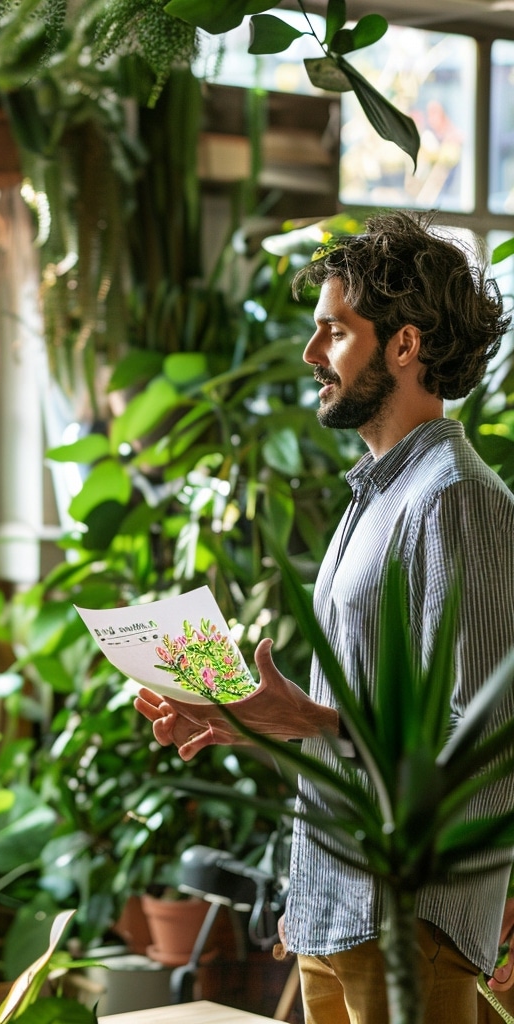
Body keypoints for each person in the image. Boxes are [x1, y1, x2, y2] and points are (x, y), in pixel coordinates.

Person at [134, 211, 514, 1024]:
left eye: (334, 332)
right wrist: (258, 724)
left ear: (405, 346)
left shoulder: (457, 498)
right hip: (335, 907)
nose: (311, 355)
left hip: (410, 918)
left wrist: (306, 715)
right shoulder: (375, 495)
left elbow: (484, 740)